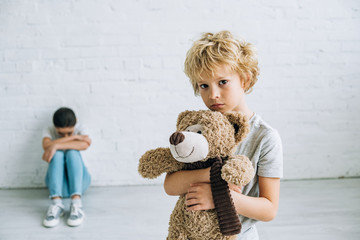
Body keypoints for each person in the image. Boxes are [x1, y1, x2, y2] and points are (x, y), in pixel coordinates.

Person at [164, 31, 283, 239]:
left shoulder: (265, 137)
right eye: (204, 86)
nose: (213, 95)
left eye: (223, 82)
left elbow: (269, 209)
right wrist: (211, 174)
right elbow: (170, 185)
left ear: (244, 80)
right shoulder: (196, 129)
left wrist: (219, 197)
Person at [41, 107, 91, 227]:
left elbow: (85, 144)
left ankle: (77, 204)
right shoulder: (49, 130)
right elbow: (46, 145)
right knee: (57, 155)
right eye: (61, 134)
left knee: (72, 152)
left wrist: (55, 146)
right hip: (57, 187)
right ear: (54, 127)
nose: (65, 136)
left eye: (69, 133)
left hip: (79, 184)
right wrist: (74, 137)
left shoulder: (80, 127)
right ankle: (56, 204)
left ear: (76, 122)